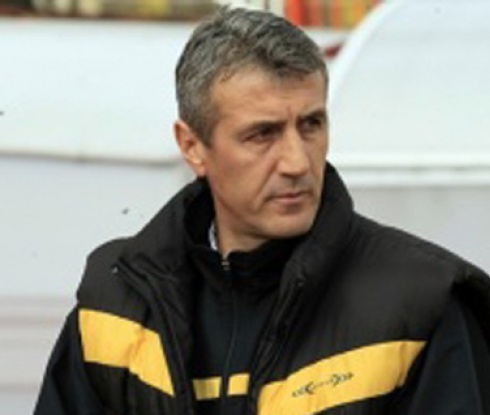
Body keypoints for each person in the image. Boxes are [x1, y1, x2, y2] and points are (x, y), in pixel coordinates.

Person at [34, 7, 490, 415]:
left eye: (311, 124)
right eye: (262, 134)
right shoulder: (115, 308)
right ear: (192, 146)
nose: (296, 162)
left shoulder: (418, 305)